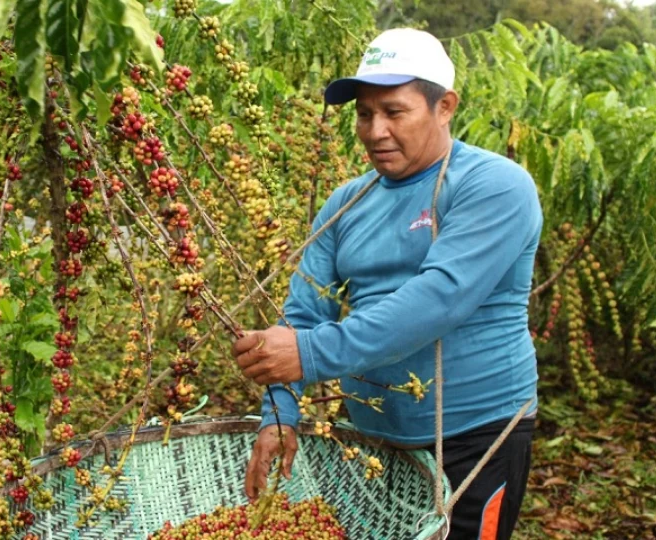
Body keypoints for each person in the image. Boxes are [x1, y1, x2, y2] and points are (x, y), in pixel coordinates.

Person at [232, 28, 542, 540]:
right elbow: (305, 313)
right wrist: (280, 408)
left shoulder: (493, 185)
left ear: (444, 106)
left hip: (474, 437)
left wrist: (308, 353)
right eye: (364, 113)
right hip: (371, 440)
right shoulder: (346, 204)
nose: (375, 131)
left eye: (394, 112)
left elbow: (439, 299)